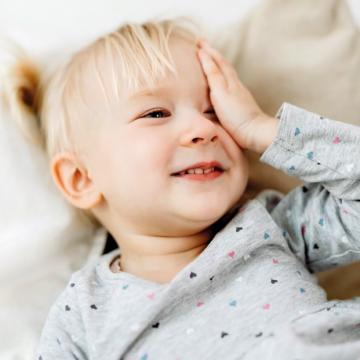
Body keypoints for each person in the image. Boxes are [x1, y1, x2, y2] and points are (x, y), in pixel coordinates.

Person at [4, 17, 360, 360]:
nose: (203, 129)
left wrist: (262, 128)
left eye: (214, 111)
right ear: (81, 179)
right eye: (156, 114)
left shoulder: (272, 226)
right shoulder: (82, 311)